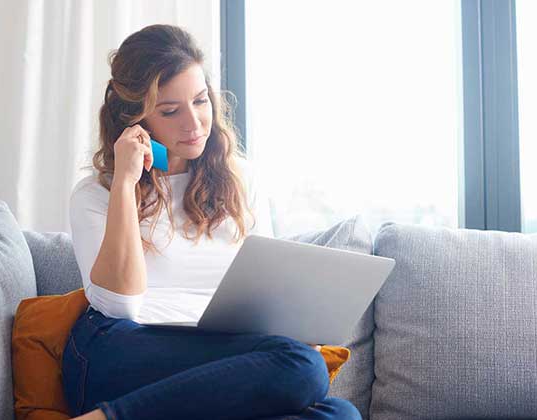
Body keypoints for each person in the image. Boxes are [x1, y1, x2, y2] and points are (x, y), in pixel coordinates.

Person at [64, 24, 361, 420]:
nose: (194, 123)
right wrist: (125, 182)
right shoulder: (96, 194)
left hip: (219, 355)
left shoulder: (241, 179)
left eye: (201, 101)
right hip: (120, 349)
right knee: (303, 368)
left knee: (340, 414)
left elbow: (266, 296)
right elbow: (119, 304)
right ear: (133, 119)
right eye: (170, 110)